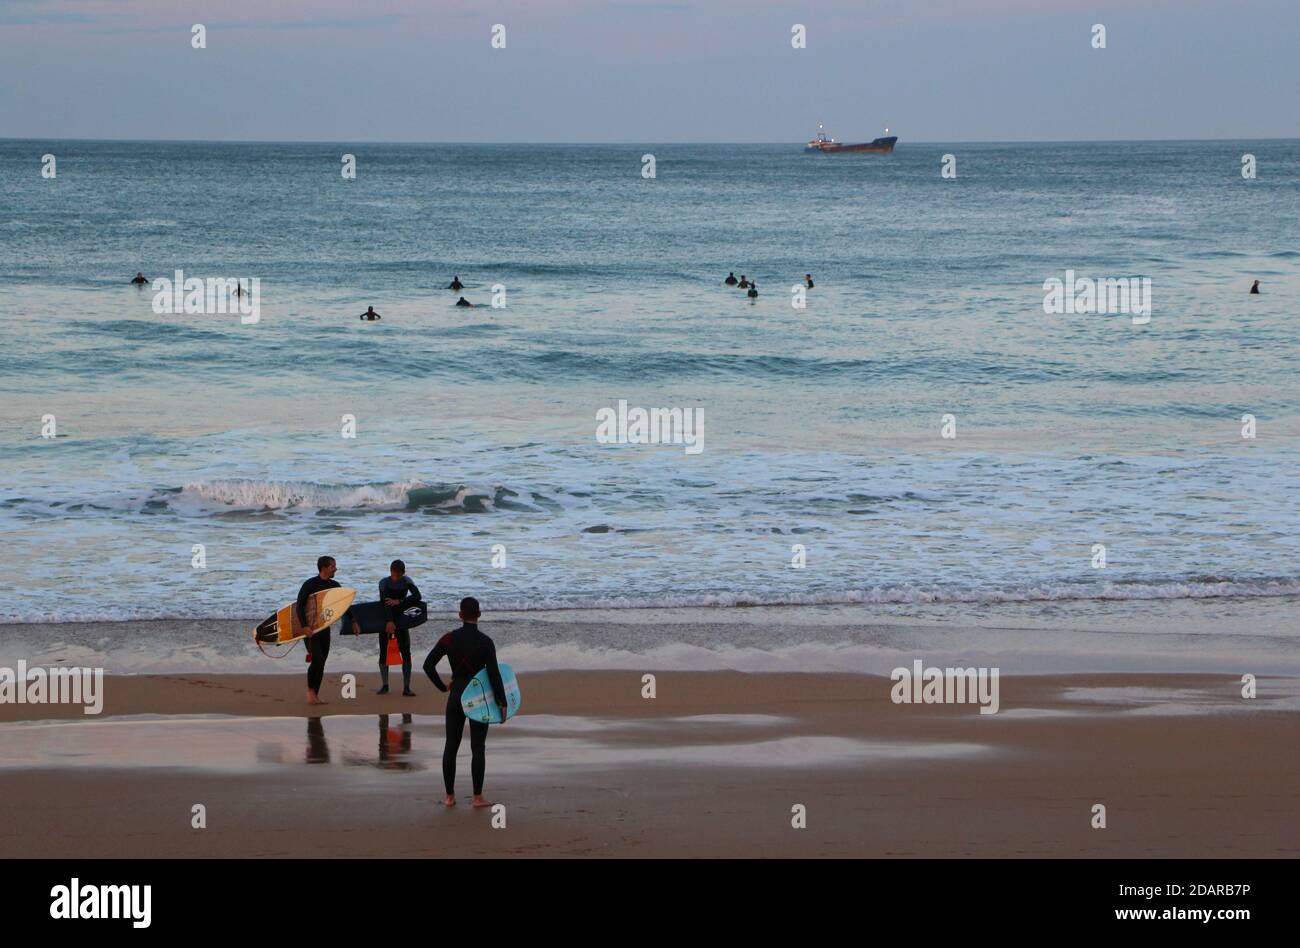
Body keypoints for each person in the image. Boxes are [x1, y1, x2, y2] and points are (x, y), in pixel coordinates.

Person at [423, 597, 507, 808]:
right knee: (478, 746)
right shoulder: (486, 641)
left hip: (456, 696)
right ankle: (477, 797)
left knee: (451, 746)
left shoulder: (449, 639)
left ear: (460, 615)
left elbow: (428, 665)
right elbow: (495, 674)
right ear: (479, 614)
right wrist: (503, 702)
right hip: (478, 698)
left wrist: (443, 687)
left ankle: (449, 797)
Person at [298, 556, 340, 705]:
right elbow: (299, 606)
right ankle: (310, 691)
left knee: (322, 662)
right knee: (317, 660)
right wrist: (304, 626)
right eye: (333, 566)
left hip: (324, 629)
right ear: (324, 568)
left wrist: (353, 621)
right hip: (310, 629)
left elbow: (343, 605)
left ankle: (316, 694)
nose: (336, 568)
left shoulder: (335, 585)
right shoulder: (310, 584)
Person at [376, 559, 420, 696]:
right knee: (384, 651)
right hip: (385, 620)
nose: (396, 578)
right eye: (394, 575)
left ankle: (407, 687)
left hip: (402, 621)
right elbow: (385, 603)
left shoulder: (407, 581)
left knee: (405, 651)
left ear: (403, 573)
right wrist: (389, 621)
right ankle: (385, 685)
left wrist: (400, 601)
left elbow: (418, 596)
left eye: (398, 575)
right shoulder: (384, 583)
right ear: (390, 571)